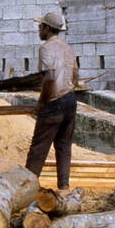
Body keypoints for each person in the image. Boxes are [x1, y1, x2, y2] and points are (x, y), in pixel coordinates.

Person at [24, 10, 79, 190]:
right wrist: (68, 90)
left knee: (38, 149)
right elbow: (75, 75)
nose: (39, 30)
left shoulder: (46, 48)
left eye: (40, 27)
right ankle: (64, 188)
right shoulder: (68, 48)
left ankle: (27, 189)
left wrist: (41, 103)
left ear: (47, 28)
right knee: (64, 147)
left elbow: (49, 78)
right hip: (70, 100)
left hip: (53, 102)